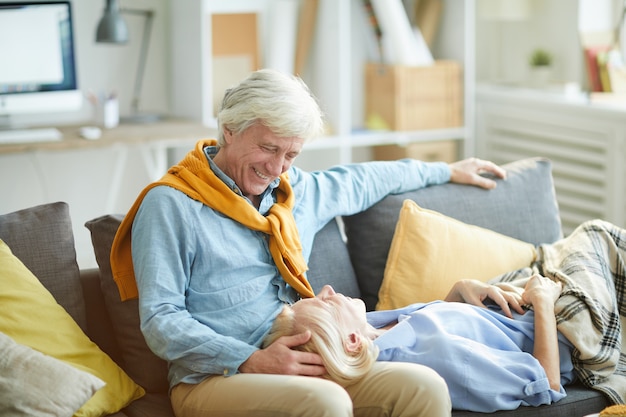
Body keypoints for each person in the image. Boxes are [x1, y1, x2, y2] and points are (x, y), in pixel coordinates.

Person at [109, 68, 506, 417]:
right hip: (213, 378)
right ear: (229, 129)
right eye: (268, 148)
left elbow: (362, 180)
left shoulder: (292, 193)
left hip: (309, 361)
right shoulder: (172, 205)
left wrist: (445, 170)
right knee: (326, 403)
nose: (277, 167)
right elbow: (161, 320)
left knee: (423, 386)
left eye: (290, 155)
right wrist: (250, 359)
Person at [263, 276, 575, 413]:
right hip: (560, 322)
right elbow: (546, 384)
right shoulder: (435, 358)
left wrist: (456, 292)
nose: (328, 289)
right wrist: (543, 301)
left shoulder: (371, 326)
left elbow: (431, 322)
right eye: (326, 304)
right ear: (352, 342)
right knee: (598, 234)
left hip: (512, 295)